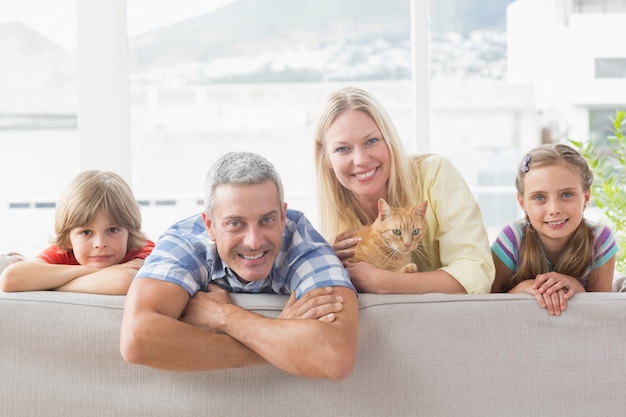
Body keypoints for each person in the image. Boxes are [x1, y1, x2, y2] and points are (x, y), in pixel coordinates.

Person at [119, 152, 358, 381]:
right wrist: (276, 339)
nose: (254, 241)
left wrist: (226, 317)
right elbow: (137, 338)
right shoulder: (186, 243)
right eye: (235, 223)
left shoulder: (304, 244)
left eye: (267, 220)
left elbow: (336, 358)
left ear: (283, 217)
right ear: (210, 225)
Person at [313, 86, 495, 294]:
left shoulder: (435, 173)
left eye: (372, 141)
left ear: (390, 141)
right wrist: (326, 261)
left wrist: (382, 281)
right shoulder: (336, 224)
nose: (361, 160)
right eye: (342, 149)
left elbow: (477, 273)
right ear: (325, 157)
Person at [491, 144, 618, 315]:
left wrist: (577, 288)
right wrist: (523, 288)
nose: (554, 209)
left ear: (586, 197)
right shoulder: (512, 238)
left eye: (566, 195)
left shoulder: (599, 239)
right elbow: (489, 304)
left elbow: (603, 314)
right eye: (539, 197)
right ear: (523, 204)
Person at [0, 170, 154, 294]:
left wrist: (51, 284)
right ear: (68, 238)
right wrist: (94, 270)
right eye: (86, 232)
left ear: (130, 232)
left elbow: (124, 281)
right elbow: (10, 279)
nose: (100, 244)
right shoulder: (65, 251)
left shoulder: (144, 251)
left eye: (113, 230)